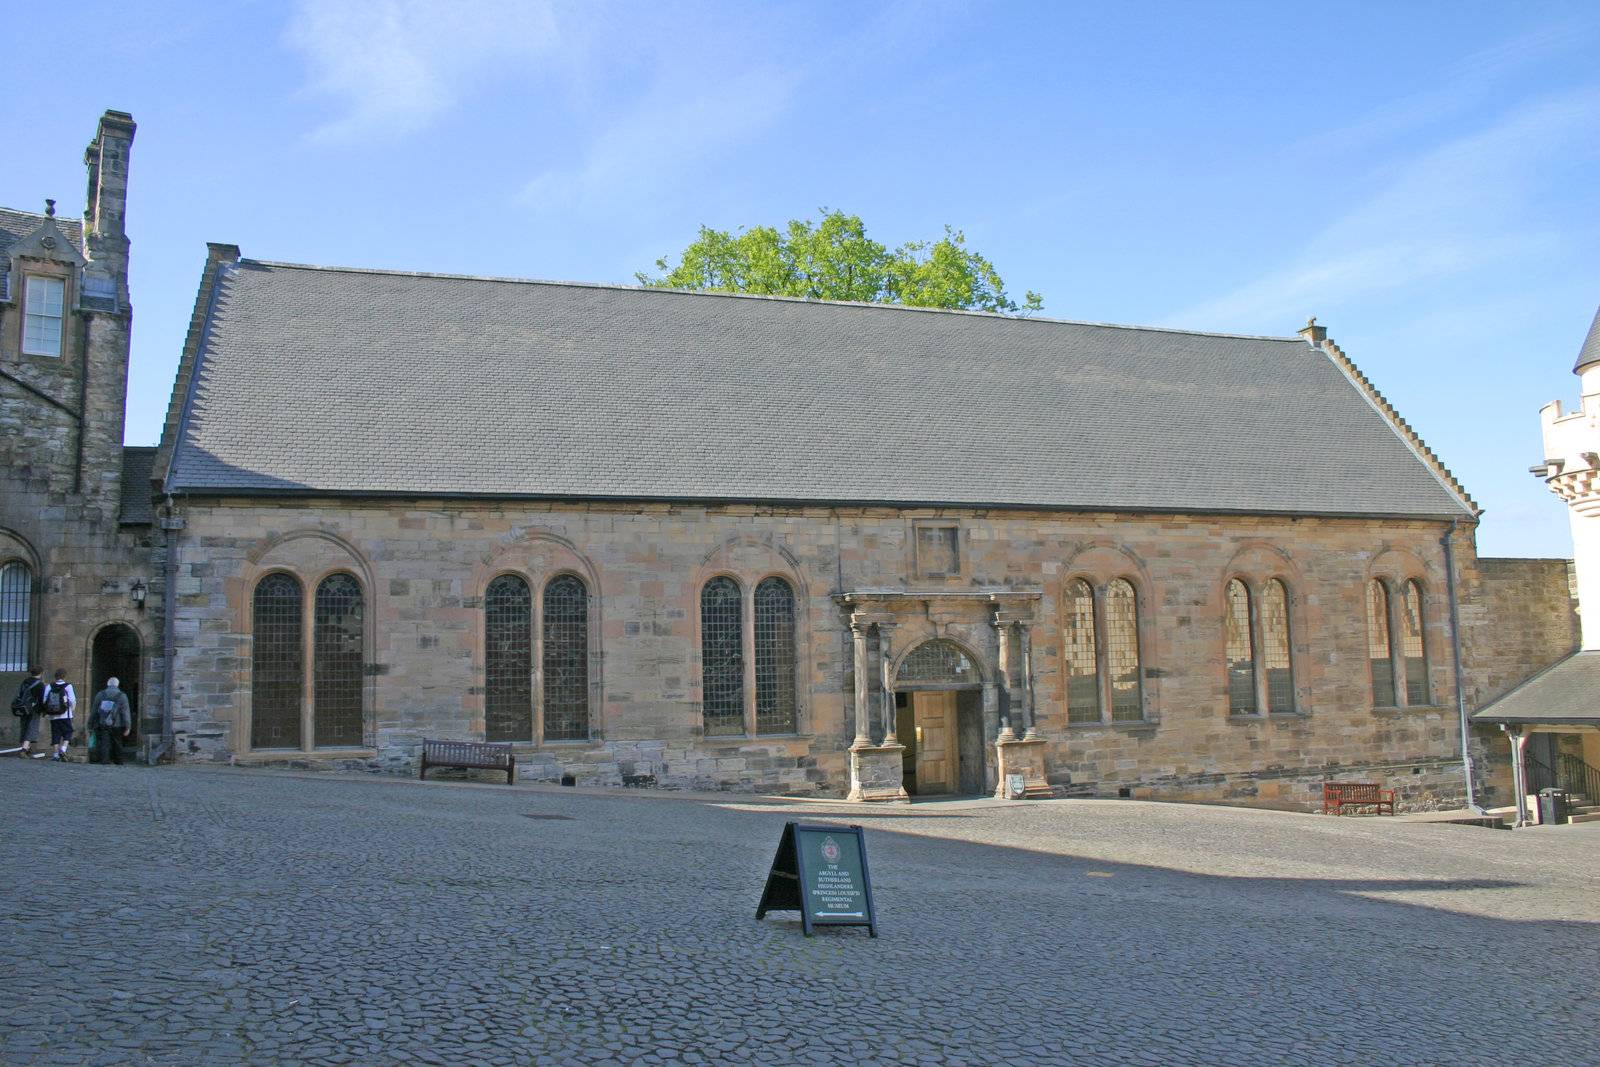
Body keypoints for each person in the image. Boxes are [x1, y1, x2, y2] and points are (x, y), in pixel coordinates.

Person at [90, 677, 132, 766]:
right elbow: (125, 712)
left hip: (103, 722)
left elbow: (94, 710)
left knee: (105, 742)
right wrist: (128, 727)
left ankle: (105, 760)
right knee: (117, 742)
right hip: (117, 723)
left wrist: (90, 723)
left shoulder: (100, 694)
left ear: (108, 684)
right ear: (117, 685)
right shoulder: (122, 696)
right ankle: (118, 760)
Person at [10, 667, 46, 758]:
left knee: (24, 726)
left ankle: (26, 748)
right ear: (41, 673)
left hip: (23, 708)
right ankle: (24, 749)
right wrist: (43, 710)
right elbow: (41, 699)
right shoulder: (40, 684)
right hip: (34, 709)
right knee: (31, 728)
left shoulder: (25, 681)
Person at [43, 669, 76, 762]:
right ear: (64, 676)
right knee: (68, 732)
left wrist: (49, 710)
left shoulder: (49, 686)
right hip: (66, 714)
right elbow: (72, 700)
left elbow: (45, 700)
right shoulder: (68, 686)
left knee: (55, 733)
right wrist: (71, 709)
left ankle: (56, 754)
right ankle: (63, 749)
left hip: (53, 715)